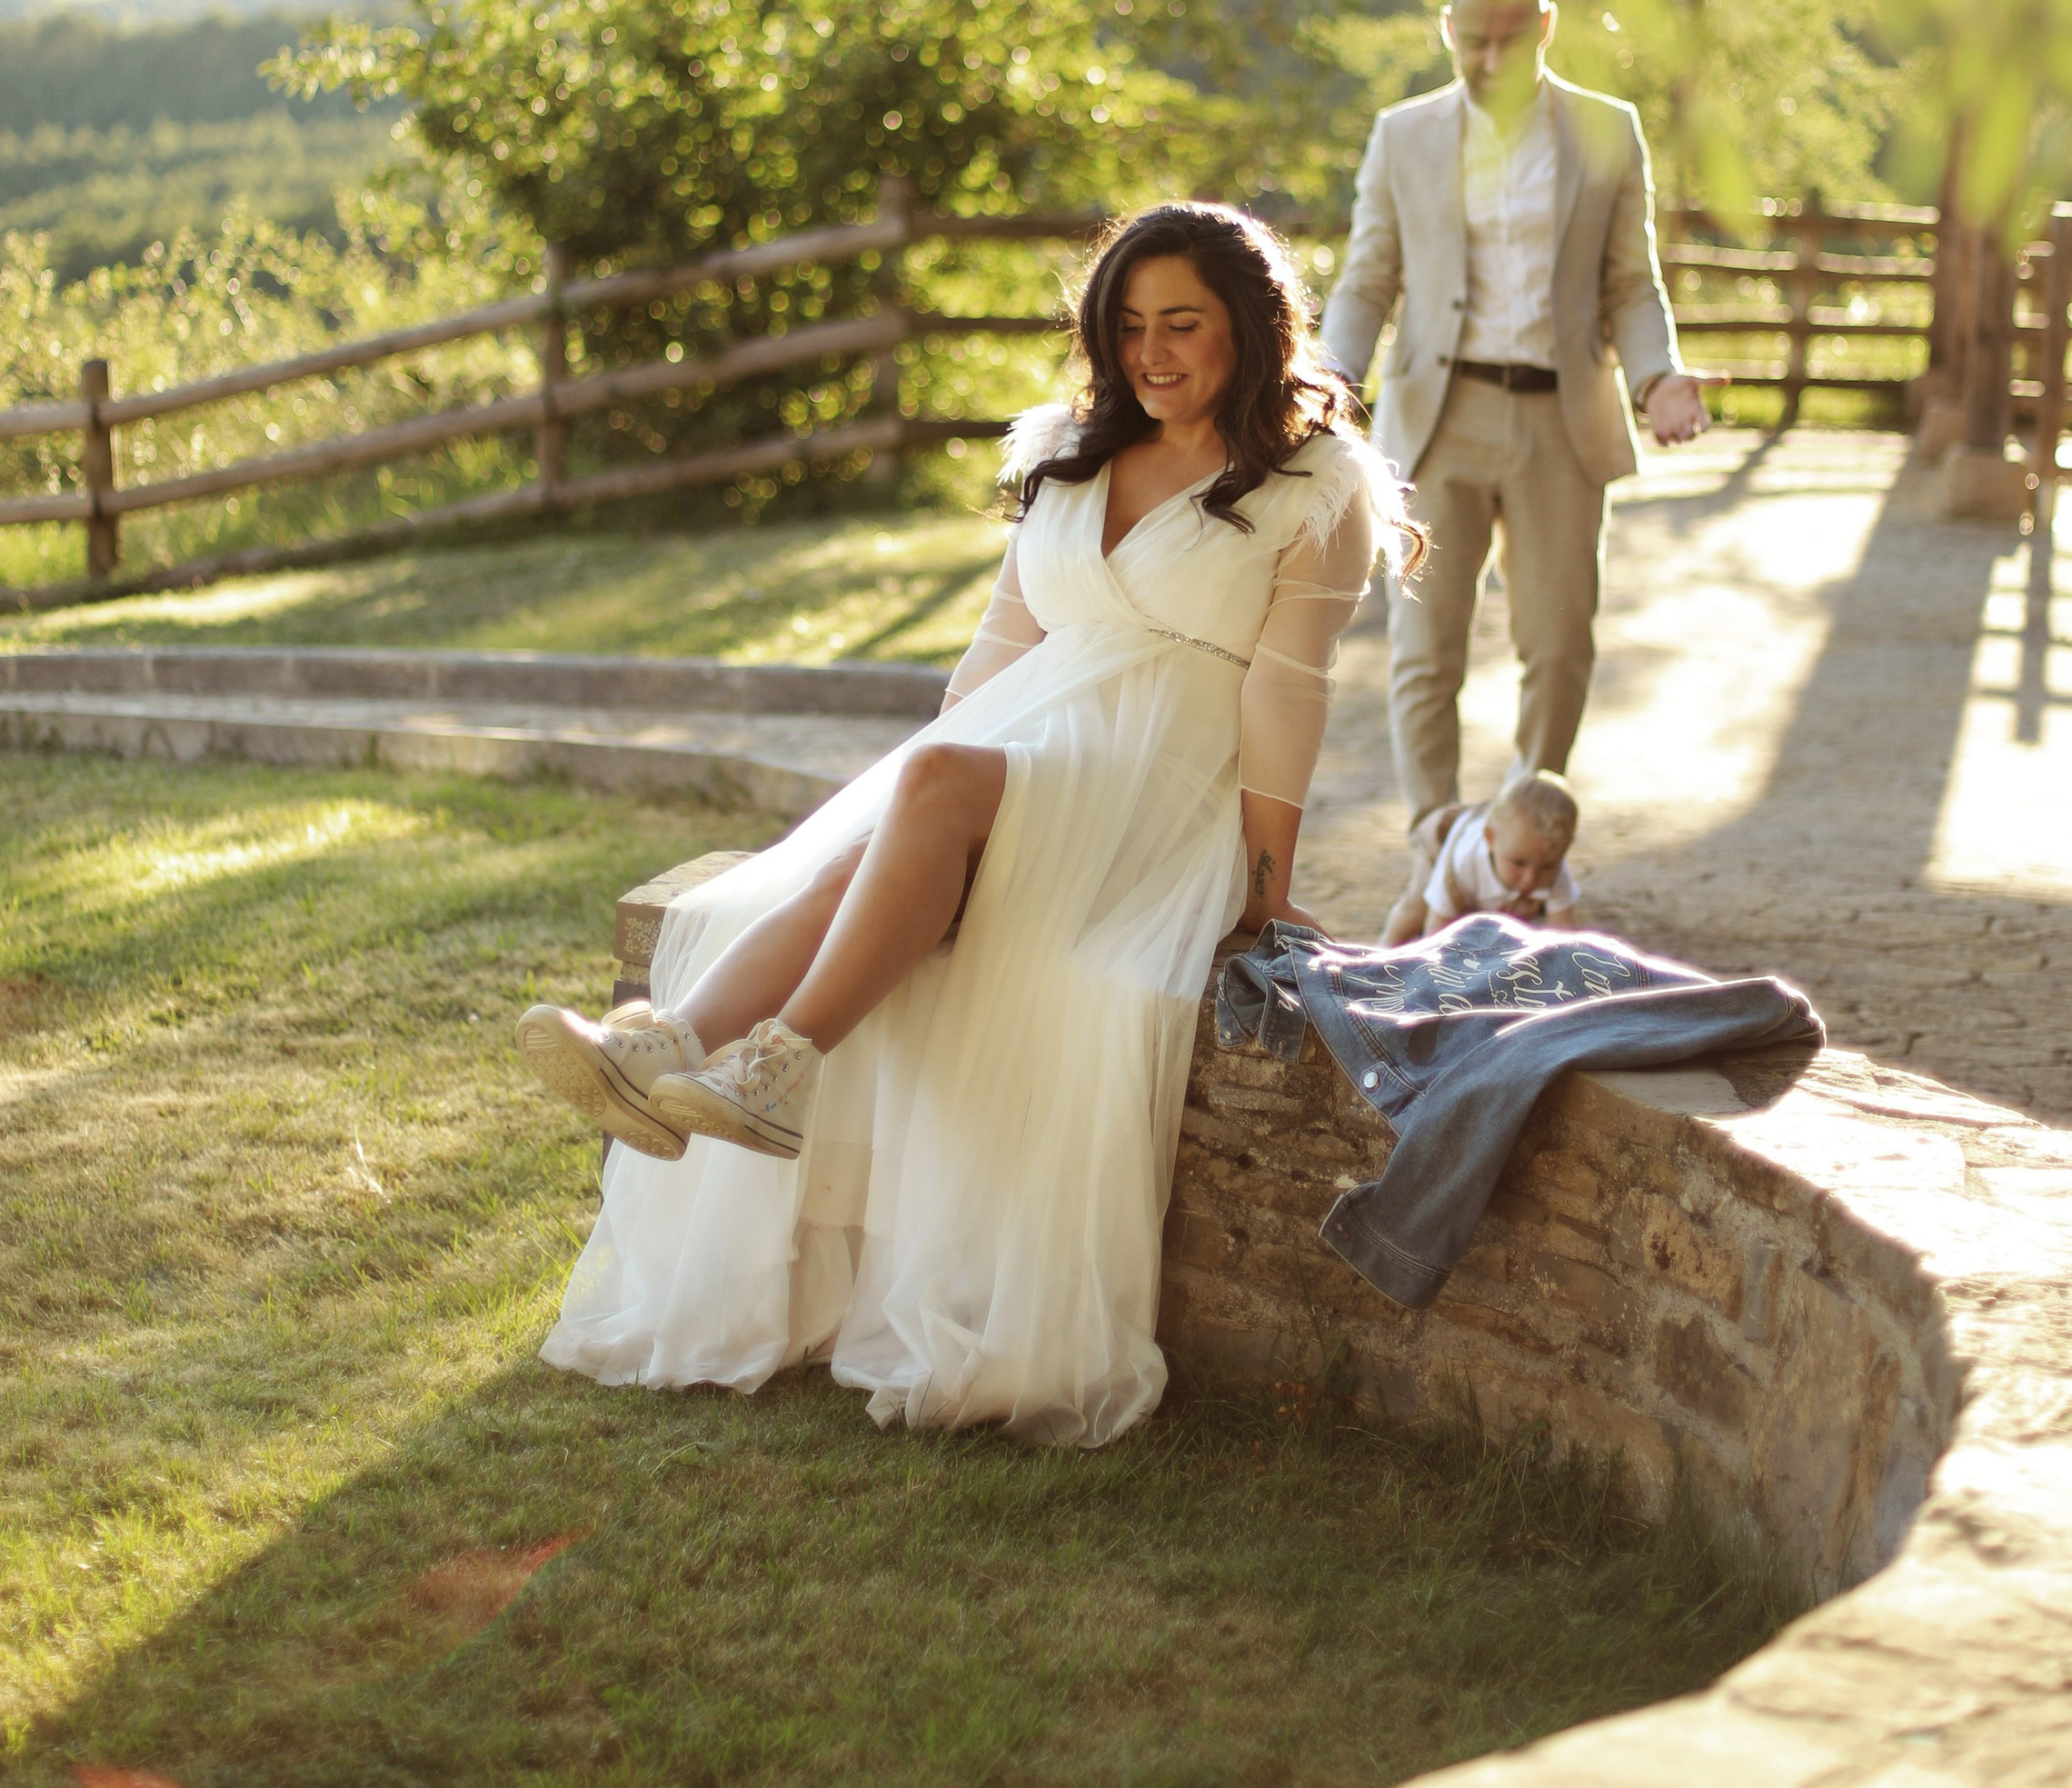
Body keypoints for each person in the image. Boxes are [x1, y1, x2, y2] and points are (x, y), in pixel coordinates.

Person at [516, 201, 1418, 1449]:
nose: (1152, 353)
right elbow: (998, 655)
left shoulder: (1316, 483)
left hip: (1153, 793)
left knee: (935, 787)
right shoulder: (1066, 447)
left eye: (1184, 325)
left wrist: (1266, 884)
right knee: (884, 816)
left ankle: (773, 1065)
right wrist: (906, 798)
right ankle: (667, 1053)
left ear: (1252, 332)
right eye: (1129, 325)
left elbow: (1285, 690)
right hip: (1011, 761)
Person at [1320, 0, 1710, 945]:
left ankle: (1529, 861)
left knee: (1559, 642)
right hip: (1434, 421)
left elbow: (1632, 283)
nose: (1488, 59)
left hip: (1559, 416)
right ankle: (1434, 847)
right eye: (1469, 41)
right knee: (1424, 645)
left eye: (1508, 39)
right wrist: (1326, 380)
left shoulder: (1607, 130)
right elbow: (1369, 279)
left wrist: (1659, 375)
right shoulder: (1402, 135)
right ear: (1446, 33)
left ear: (1546, 28)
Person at [1420, 772, 1582, 929]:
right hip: (1441, 838)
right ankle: (1394, 948)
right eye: (1518, 863)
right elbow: (1436, 930)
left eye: (1547, 867)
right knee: (1416, 909)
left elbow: (1563, 932)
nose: (1530, 879)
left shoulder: (1547, 859)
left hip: (1492, 832)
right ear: (1490, 839)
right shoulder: (1463, 863)